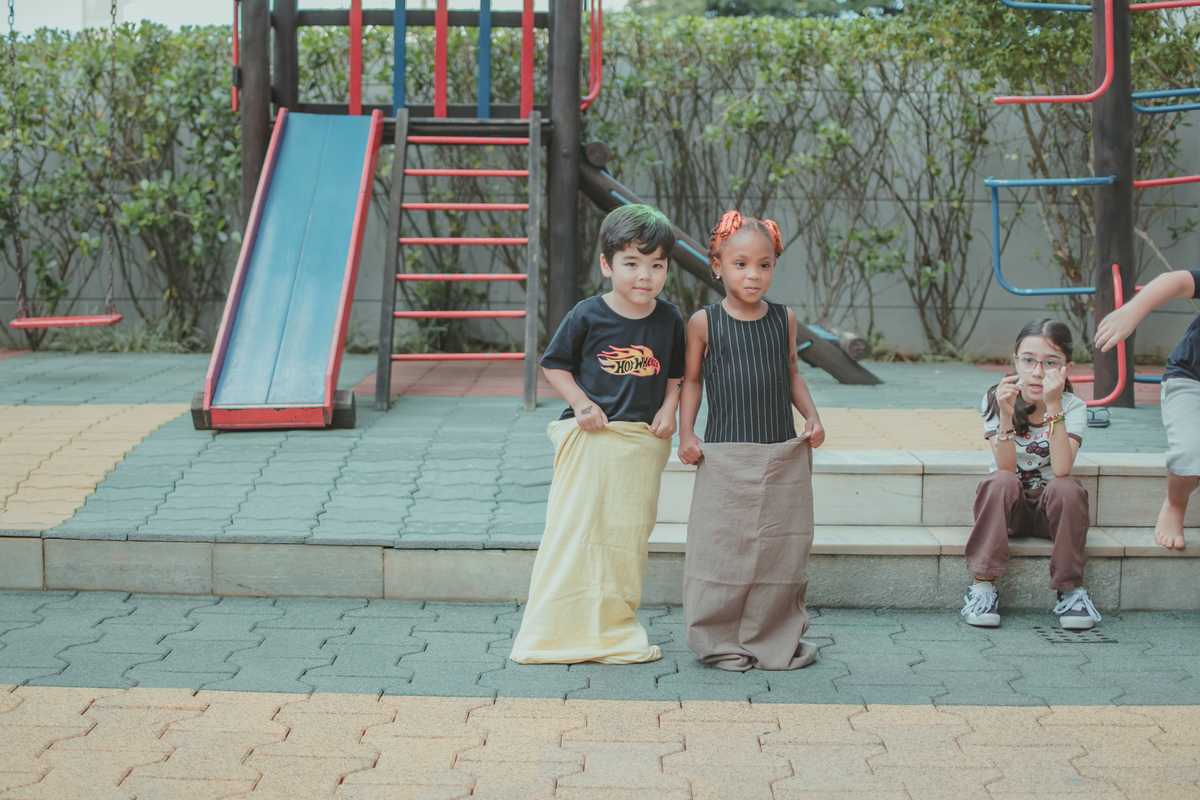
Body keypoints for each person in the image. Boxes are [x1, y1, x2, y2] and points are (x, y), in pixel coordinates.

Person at [509, 204, 685, 665]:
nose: (644, 275)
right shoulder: (588, 314)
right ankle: (555, 632)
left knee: (626, 541)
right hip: (592, 441)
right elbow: (554, 365)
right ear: (607, 264)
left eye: (656, 265)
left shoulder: (669, 320)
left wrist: (670, 410)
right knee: (577, 534)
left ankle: (612, 627)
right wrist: (583, 403)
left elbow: (676, 375)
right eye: (631, 263)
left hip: (640, 448)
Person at [676, 209, 825, 671]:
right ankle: (719, 639)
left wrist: (813, 417)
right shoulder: (704, 322)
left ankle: (770, 635)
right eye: (740, 264)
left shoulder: (784, 319)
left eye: (764, 264)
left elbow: (792, 373)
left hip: (779, 452)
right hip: (724, 454)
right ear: (717, 265)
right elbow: (693, 381)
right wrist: (686, 432)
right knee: (721, 550)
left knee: (779, 554)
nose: (753, 274)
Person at [961, 319, 1098, 631]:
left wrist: (1053, 406)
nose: (1037, 372)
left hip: (1050, 513)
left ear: (1067, 367)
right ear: (1015, 362)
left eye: (1050, 362)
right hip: (1010, 510)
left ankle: (1071, 590)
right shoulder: (999, 397)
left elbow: (1062, 468)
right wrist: (1007, 416)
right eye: (1029, 360)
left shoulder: (1073, 406)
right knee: (1000, 480)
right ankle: (982, 585)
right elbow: (1007, 467)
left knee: (1068, 487)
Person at [1095, 268, 1200, 550]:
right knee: (1190, 454)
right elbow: (1176, 281)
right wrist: (1132, 312)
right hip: (1192, 381)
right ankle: (1175, 504)